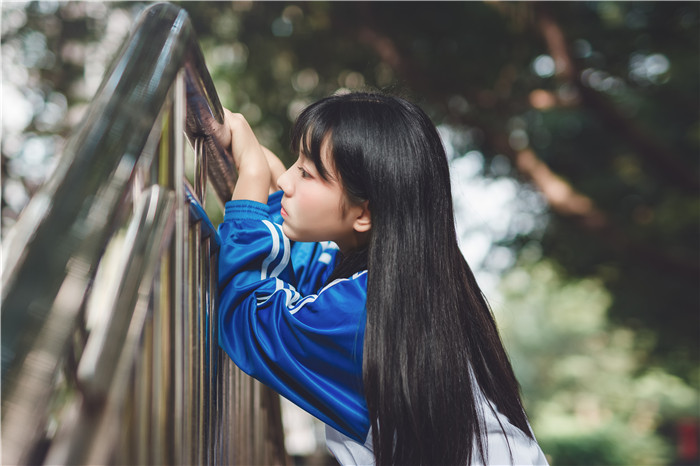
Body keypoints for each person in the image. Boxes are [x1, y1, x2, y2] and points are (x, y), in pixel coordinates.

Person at [217, 92, 548, 465]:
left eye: (306, 172)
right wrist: (273, 181)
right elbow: (308, 269)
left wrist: (253, 176)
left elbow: (247, 314)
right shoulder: (410, 287)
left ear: (364, 214)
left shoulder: (363, 313)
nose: (290, 182)